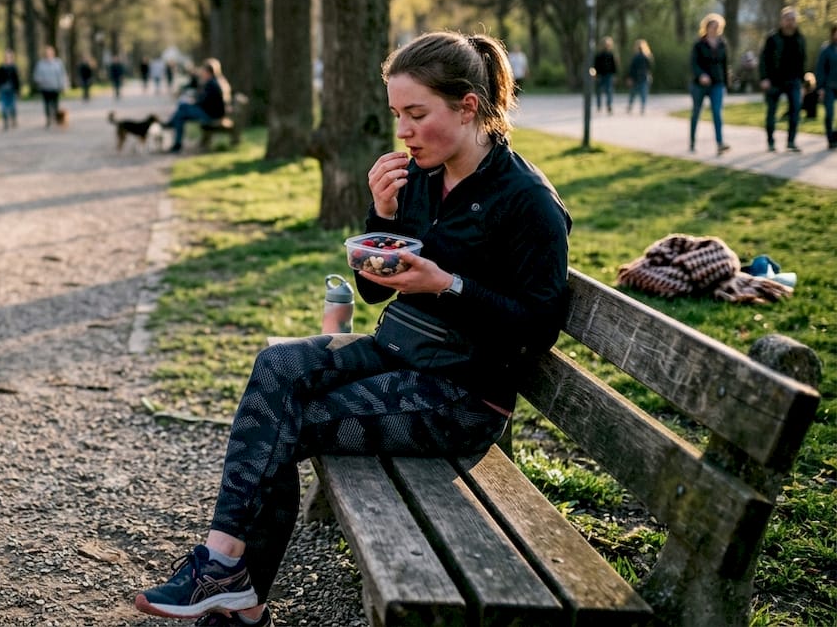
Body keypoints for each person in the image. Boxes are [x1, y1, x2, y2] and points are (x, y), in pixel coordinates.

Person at [133, 31, 571, 626]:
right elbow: (372, 290)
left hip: (462, 396)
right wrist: (381, 215)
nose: (405, 131)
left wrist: (448, 284)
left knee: (290, 422)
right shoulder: (419, 177)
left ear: (469, 105)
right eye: (398, 115)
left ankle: (233, 588)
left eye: (417, 114)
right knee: (277, 366)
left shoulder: (527, 202)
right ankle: (229, 575)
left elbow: (537, 327)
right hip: (400, 351)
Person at [759, 6, 807, 153]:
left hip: (794, 81)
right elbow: (764, 59)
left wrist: (803, 81)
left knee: (795, 111)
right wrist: (764, 78)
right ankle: (770, 142)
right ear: (782, 21)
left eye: (793, 19)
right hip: (774, 81)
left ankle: (791, 142)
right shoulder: (772, 38)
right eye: (787, 19)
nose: (790, 22)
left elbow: (802, 60)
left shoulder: (800, 39)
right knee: (771, 112)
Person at [162, 58, 229, 154]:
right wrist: (195, 101)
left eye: (203, 71)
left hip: (211, 115)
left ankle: (172, 131)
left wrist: (194, 102)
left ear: (208, 72)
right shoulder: (217, 81)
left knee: (182, 108)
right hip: (213, 113)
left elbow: (205, 102)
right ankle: (175, 139)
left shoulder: (212, 84)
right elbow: (207, 100)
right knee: (181, 112)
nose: (202, 74)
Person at [690, 13, 731, 156]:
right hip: (700, 85)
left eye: (716, 27)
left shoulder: (722, 44)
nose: (714, 29)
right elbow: (694, 64)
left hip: (717, 83)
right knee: (696, 112)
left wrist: (726, 84)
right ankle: (692, 141)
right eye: (711, 26)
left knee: (717, 113)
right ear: (706, 27)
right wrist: (701, 75)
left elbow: (725, 65)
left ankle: (720, 144)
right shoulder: (699, 44)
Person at [32, 45, 69, 128]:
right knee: (47, 104)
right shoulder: (41, 63)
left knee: (55, 104)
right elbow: (37, 75)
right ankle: (48, 119)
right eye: (47, 53)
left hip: (55, 87)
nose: (48, 54)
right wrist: (39, 81)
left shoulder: (58, 63)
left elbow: (62, 75)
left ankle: (55, 118)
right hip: (45, 88)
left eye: (50, 53)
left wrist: (64, 86)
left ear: (53, 53)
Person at [817, 23, 837, 150]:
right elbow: (820, 69)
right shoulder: (826, 49)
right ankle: (830, 140)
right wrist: (821, 88)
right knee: (829, 114)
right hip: (829, 87)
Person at [0, 49, 21, 131]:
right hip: (3, 89)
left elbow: (17, 80)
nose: (7, 58)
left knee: (12, 106)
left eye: (9, 57)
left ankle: (13, 119)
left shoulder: (14, 67)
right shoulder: (1, 67)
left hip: (12, 89)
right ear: (4, 58)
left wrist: (18, 90)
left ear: (12, 58)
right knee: (3, 106)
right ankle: (5, 123)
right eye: (6, 57)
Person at [626, 39, 653, 114]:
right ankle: (639, 107)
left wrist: (630, 78)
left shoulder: (641, 57)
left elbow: (648, 68)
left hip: (639, 77)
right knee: (640, 94)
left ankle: (635, 107)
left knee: (635, 94)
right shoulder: (645, 57)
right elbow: (648, 69)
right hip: (640, 77)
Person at [592, 36, 618, 114]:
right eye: (605, 44)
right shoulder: (599, 55)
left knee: (609, 91)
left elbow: (614, 66)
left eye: (608, 44)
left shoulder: (611, 55)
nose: (606, 46)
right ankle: (599, 106)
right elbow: (595, 66)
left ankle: (609, 106)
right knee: (599, 91)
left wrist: (614, 75)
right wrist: (595, 75)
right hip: (600, 75)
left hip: (609, 75)